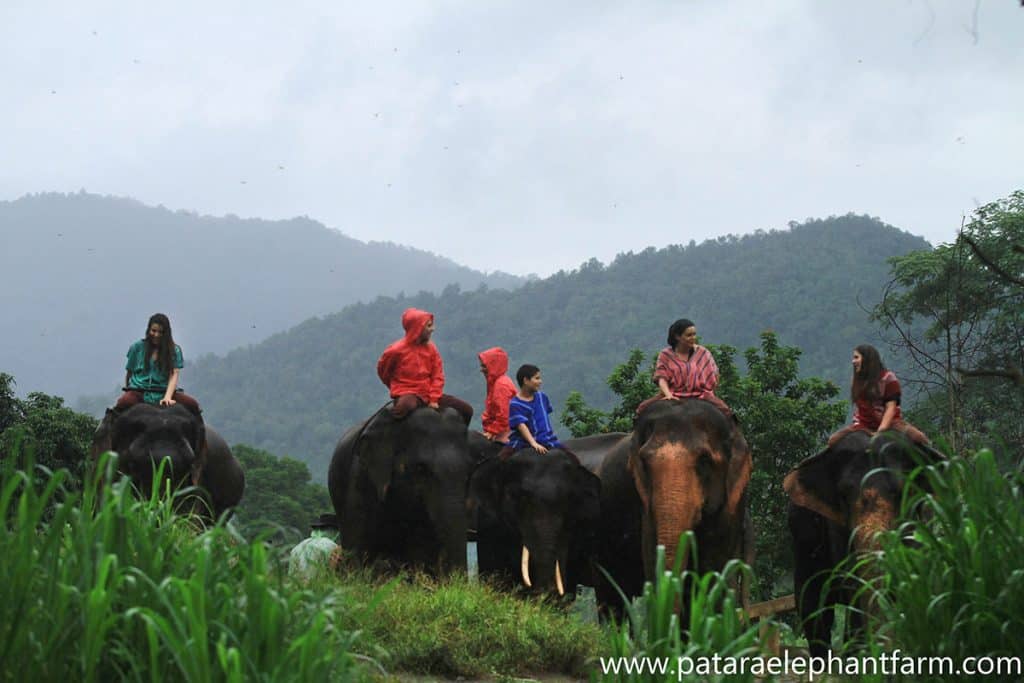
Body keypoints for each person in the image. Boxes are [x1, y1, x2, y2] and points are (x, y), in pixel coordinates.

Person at [377, 307, 473, 424]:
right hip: (407, 393)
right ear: (418, 328)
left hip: (429, 394)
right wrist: (397, 387)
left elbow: (437, 374)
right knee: (404, 407)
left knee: (466, 410)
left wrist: (434, 398)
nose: (433, 329)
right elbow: (383, 371)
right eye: (429, 326)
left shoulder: (431, 348)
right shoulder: (396, 350)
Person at [827, 344, 929, 447]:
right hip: (863, 424)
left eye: (856, 357)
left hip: (891, 423)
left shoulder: (888, 378)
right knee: (833, 440)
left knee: (920, 438)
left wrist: (881, 430)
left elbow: (891, 407)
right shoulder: (858, 381)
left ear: (867, 359)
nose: (853, 361)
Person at [635, 318, 732, 418]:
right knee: (642, 408)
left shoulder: (703, 353)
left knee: (726, 411)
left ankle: (735, 433)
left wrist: (710, 392)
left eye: (694, 334)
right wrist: (668, 395)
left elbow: (715, 375)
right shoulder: (665, 355)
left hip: (701, 395)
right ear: (677, 336)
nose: (693, 338)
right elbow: (661, 378)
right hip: (673, 393)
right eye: (689, 335)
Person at [115, 313, 201, 415]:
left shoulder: (174, 350)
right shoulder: (137, 348)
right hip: (139, 391)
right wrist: (128, 391)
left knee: (192, 404)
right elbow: (129, 372)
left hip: (163, 391)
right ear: (148, 330)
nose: (156, 335)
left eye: (161, 332)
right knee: (123, 403)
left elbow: (173, 374)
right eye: (153, 331)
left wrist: (167, 397)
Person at [502, 364, 564, 457]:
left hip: (548, 439)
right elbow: (521, 426)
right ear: (526, 380)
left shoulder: (542, 397)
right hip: (524, 442)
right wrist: (534, 443)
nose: (540, 381)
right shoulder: (515, 404)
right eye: (537, 378)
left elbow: (544, 419)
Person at [478, 347, 517, 443]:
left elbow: (504, 415)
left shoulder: (501, 385)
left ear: (493, 365)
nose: (481, 369)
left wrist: (492, 432)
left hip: (508, 431)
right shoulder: (494, 383)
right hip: (500, 429)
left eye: (484, 366)